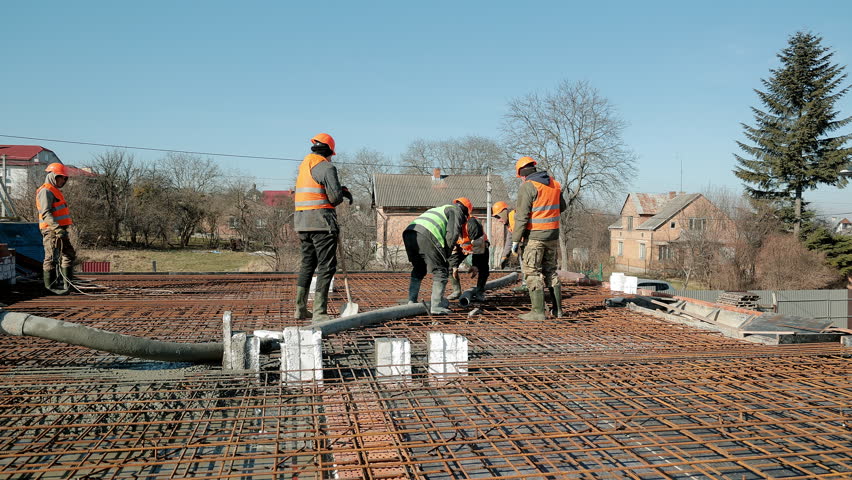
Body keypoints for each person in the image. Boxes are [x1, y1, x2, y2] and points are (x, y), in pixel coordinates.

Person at [293, 133, 353, 322]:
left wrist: (338, 189)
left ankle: (300, 309)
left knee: (307, 264)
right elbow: (334, 198)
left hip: (302, 222)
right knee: (326, 266)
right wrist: (342, 194)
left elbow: (316, 189)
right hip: (321, 223)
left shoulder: (304, 166)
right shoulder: (326, 167)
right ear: (329, 151)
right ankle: (319, 313)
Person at [511, 156, 567, 320]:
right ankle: (558, 311)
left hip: (535, 236)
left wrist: (516, 240)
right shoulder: (555, 184)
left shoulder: (528, 186)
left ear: (522, 174)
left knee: (532, 271)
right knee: (550, 271)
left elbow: (521, 216)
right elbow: (562, 206)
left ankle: (537, 312)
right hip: (552, 235)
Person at [402, 197, 469, 314]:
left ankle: (411, 301)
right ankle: (436, 306)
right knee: (441, 270)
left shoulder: (439, 209)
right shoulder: (456, 211)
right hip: (427, 234)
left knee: (419, 268)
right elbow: (452, 235)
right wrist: (446, 255)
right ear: (465, 212)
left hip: (409, 233)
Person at [36, 163, 76, 293]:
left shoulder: (55, 191)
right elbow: (46, 213)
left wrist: (61, 229)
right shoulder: (45, 191)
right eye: (61, 177)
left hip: (60, 229)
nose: (63, 180)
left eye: (65, 178)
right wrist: (56, 228)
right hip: (51, 230)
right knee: (51, 257)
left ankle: (67, 285)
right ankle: (50, 287)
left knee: (68, 254)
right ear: (53, 176)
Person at [447, 198, 490, 302]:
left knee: (483, 269)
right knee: (449, 266)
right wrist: (454, 265)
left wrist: (475, 265)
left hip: (481, 248)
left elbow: (478, 246)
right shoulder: (452, 224)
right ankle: (456, 291)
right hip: (462, 249)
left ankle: (480, 292)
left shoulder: (472, 223)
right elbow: (453, 246)